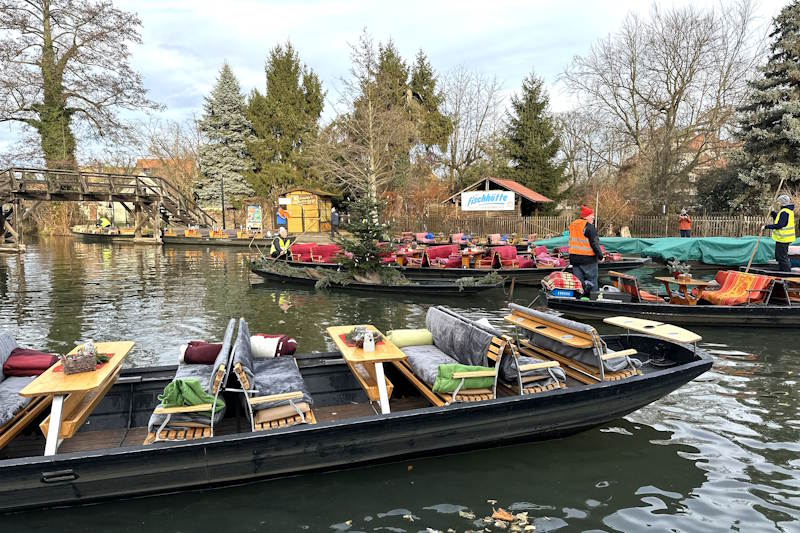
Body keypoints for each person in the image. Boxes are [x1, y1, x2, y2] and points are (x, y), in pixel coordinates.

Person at [568, 205, 604, 294]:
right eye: (592, 215)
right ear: (586, 216)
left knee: (579, 283)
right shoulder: (589, 227)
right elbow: (594, 243)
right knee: (592, 280)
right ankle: (593, 300)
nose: (593, 217)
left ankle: (580, 300)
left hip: (574, 259)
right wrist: (601, 256)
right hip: (588, 260)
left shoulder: (573, 225)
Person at [763, 194, 795, 272]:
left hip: (784, 238)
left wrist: (766, 227)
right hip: (782, 238)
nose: (778, 204)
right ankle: (782, 271)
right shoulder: (785, 211)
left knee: (782, 257)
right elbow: (779, 219)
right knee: (779, 256)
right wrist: (773, 212)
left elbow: (780, 225)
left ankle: (787, 274)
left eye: (779, 202)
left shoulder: (785, 212)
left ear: (782, 202)